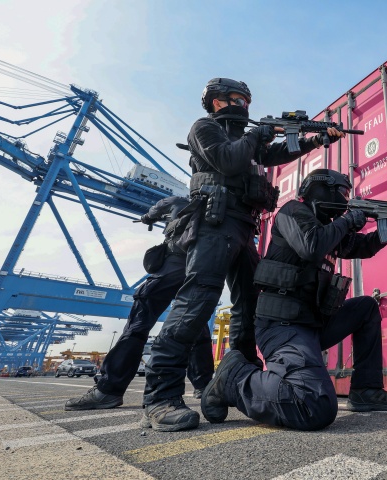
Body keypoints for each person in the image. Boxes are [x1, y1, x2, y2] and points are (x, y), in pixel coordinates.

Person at [142, 78, 344, 431]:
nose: (243, 105)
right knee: (196, 303)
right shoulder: (204, 128)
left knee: (251, 305)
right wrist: (260, 132)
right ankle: (160, 397)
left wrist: (316, 138)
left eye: (246, 100)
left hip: (242, 228)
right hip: (213, 224)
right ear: (216, 102)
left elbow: (274, 154)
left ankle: (237, 377)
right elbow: (228, 160)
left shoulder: (246, 138)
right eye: (236, 99)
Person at [200, 169, 387, 431]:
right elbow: (310, 246)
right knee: (313, 405)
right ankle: (235, 378)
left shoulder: (329, 229)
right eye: (342, 193)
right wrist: (349, 220)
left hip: (311, 324)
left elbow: (362, 246)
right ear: (321, 189)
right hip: (281, 326)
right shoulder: (292, 211)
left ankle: (366, 390)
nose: (346, 199)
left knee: (365, 307)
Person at [64, 196, 214, 411]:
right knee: (195, 325)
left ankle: (109, 390)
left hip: (172, 265)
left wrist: (147, 218)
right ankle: (203, 385)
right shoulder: (219, 205)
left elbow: (154, 211)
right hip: (201, 268)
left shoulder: (177, 201)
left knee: (138, 324)